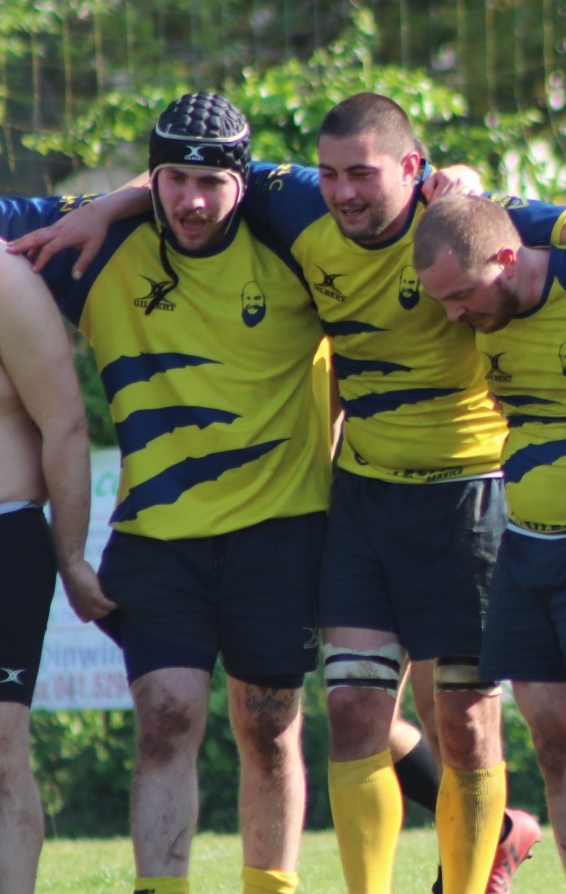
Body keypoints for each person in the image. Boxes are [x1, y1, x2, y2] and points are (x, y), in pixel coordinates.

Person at [18, 92, 566, 894]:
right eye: (332, 173)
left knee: (450, 719)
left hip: (459, 496)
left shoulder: (452, 214)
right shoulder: (293, 203)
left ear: (412, 168)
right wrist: (108, 204)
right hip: (358, 498)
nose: (343, 191)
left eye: (362, 175)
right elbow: (188, 173)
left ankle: (476, 866)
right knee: (344, 711)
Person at [0, 93, 330, 894]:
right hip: (159, 533)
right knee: (164, 718)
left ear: (242, 182)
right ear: (152, 179)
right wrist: (105, 207)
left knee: (269, 726)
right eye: (174, 180)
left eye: (211, 182)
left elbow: (397, 197)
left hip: (282, 525)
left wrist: (460, 181)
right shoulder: (99, 246)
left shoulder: (296, 238)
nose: (192, 201)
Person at [412, 193, 566, 894]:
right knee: (551, 742)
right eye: (443, 302)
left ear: (507, 258)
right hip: (523, 544)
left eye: (462, 296)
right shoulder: (483, 302)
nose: (454, 316)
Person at [0, 250, 101, 894]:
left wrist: (71, 556)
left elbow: (65, 424)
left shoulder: (6, 282)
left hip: (5, 533)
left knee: (1, 751)